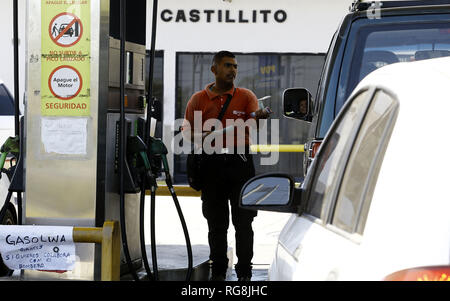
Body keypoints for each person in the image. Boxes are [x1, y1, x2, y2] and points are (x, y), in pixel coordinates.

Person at [182, 51, 270, 281]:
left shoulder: (246, 96)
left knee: (243, 222)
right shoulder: (198, 99)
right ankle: (218, 272)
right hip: (211, 165)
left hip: (240, 163)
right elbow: (186, 132)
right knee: (216, 223)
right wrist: (207, 134)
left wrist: (259, 117)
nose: (233, 70)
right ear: (214, 69)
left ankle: (244, 273)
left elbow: (255, 125)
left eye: (235, 66)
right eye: (228, 65)